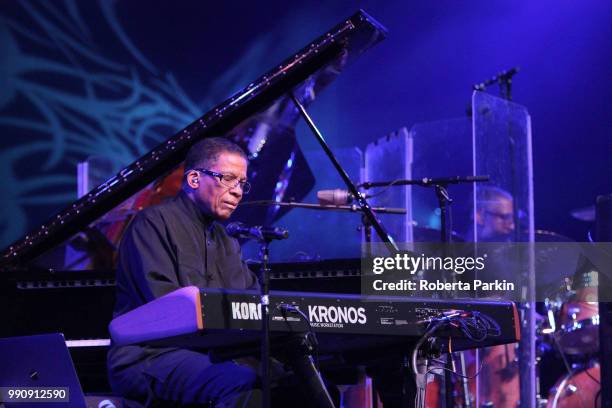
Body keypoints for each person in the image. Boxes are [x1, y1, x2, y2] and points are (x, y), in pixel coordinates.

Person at [107, 137, 262, 407]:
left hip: (213, 352)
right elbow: (168, 311)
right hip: (151, 355)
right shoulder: (152, 224)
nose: (237, 191)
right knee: (240, 382)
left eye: (242, 183)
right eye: (228, 179)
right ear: (193, 180)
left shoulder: (228, 241)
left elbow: (251, 305)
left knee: (302, 380)